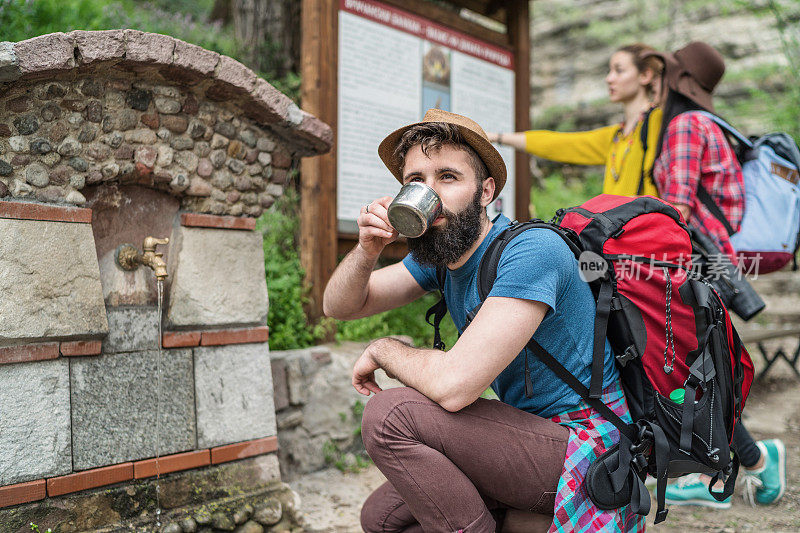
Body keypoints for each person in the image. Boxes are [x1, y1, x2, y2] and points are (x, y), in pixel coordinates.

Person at [323, 108, 645, 532]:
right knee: (383, 519)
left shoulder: (530, 251)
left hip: (588, 445)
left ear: (486, 191)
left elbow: (454, 388)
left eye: (447, 177)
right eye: (415, 181)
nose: (429, 193)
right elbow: (340, 305)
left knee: (390, 414)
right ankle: (519, 520)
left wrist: (384, 350)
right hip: (529, 437)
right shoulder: (443, 258)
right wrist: (367, 250)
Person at [643, 41, 786, 508]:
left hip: (696, 265)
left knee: (695, 369)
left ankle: (724, 470)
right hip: (710, 262)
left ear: (677, 81)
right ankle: (747, 462)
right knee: (699, 369)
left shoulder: (686, 125)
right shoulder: (709, 125)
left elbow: (677, 210)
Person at [488, 43, 663, 197]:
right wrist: (497, 137)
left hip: (647, 230)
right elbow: (560, 144)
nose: (609, 79)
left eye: (619, 70)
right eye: (609, 71)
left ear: (645, 75)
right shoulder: (617, 136)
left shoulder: (658, 120)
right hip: (618, 231)